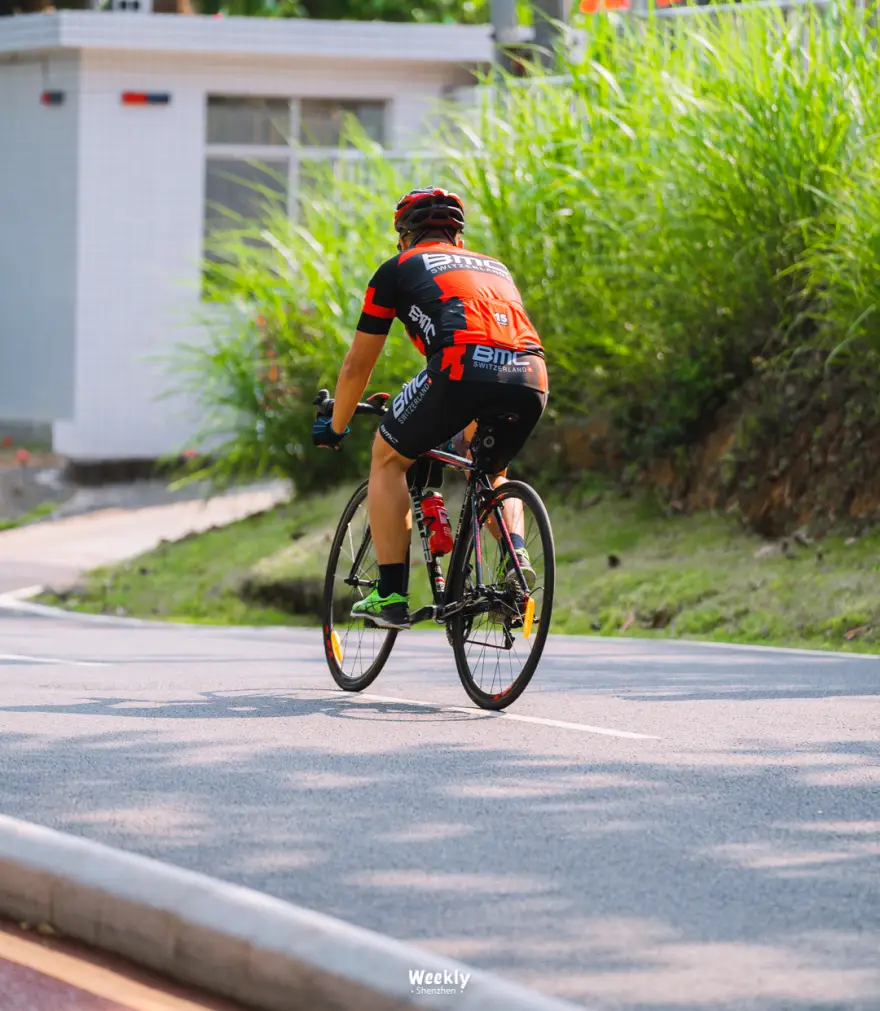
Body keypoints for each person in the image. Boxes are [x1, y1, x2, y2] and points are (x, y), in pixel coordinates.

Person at [312, 186, 548, 630]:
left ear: (404, 236)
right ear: (458, 238)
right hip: (530, 374)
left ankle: (391, 595)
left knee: (387, 458)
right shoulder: (495, 267)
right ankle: (517, 561)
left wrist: (336, 425)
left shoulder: (397, 268)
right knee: (490, 470)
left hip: (460, 367)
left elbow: (357, 364)